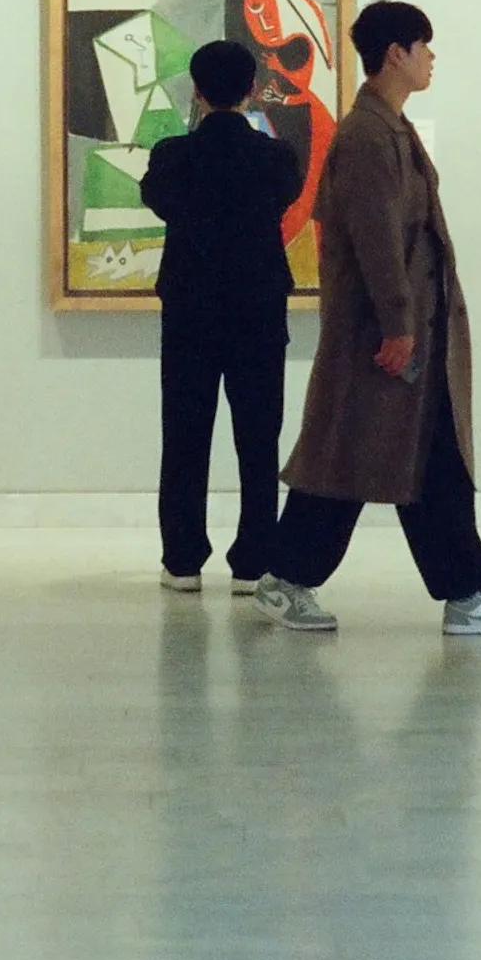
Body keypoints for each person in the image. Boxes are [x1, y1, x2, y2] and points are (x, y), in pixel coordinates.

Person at [254, 0, 481, 636]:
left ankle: (455, 592)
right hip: (386, 338)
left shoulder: (387, 128)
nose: (432, 59)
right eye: (425, 47)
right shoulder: (366, 136)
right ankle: (459, 595)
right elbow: (378, 239)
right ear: (396, 55)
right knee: (361, 456)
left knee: (389, 456)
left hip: (405, 333)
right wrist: (399, 326)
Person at [140, 38, 304, 595]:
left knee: (185, 436)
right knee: (259, 440)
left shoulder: (171, 157)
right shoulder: (277, 158)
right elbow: (283, 197)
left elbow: (159, 200)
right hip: (258, 311)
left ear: (196, 90)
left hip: (190, 313)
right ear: (252, 90)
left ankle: (183, 560)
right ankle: (253, 560)